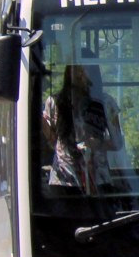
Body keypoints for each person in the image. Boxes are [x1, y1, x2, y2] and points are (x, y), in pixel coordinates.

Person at [44, 61, 124, 191]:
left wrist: (97, 144)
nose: (82, 76)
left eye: (87, 71)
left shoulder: (106, 103)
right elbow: (51, 142)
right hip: (64, 179)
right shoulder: (54, 102)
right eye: (78, 71)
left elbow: (118, 142)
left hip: (98, 178)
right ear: (70, 74)